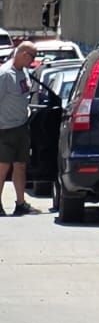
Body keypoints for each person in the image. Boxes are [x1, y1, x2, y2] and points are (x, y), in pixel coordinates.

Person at [0, 41, 38, 216]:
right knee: (2, 166)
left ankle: (20, 203)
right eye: (32, 57)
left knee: (20, 165)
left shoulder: (23, 72)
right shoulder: (5, 74)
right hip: (5, 128)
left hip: (21, 126)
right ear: (23, 54)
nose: (33, 61)